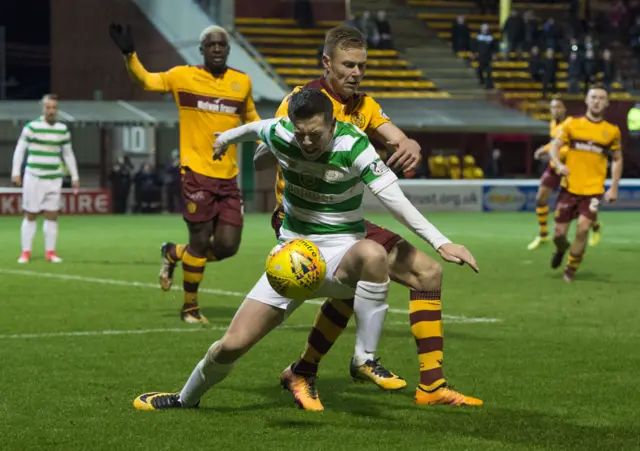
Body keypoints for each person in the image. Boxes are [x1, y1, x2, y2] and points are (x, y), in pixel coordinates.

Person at [131, 88, 480, 412]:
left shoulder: (355, 146)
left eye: (316, 133)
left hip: (342, 255)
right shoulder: (284, 132)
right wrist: (224, 139)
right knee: (232, 345)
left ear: (333, 122)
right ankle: (185, 398)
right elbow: (254, 128)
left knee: (372, 253)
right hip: (293, 256)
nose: (308, 141)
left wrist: (441, 242)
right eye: (302, 134)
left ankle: (364, 358)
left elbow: (396, 203)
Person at [256, 26, 483, 409]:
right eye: (349, 65)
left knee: (426, 274)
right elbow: (270, 147)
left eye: (362, 66)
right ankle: (316, 368)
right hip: (303, 223)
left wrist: (409, 143)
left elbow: (395, 135)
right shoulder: (301, 100)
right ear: (327, 62)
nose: (357, 73)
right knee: (362, 278)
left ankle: (431, 386)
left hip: (344, 223)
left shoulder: (364, 105)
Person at [109, 23, 260, 323]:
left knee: (228, 246)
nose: (217, 49)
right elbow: (147, 81)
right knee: (201, 242)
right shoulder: (183, 76)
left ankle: (173, 253)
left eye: (222, 45)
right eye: (211, 45)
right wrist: (129, 53)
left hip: (228, 177)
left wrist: (270, 143)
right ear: (202, 49)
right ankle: (190, 307)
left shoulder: (241, 82)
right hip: (196, 173)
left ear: (228, 50)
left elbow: (252, 119)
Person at [549, 85, 622, 282]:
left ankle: (570, 270)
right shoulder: (572, 124)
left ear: (606, 103)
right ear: (587, 101)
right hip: (569, 187)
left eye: (601, 98)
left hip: (593, 191)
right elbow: (554, 147)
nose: (597, 101)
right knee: (558, 235)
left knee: (583, 229)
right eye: (593, 97)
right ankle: (561, 249)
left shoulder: (611, 131)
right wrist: (558, 164)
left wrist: (614, 186)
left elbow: (617, 159)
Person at [11, 93, 80, 264]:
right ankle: (25, 252)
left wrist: (75, 175)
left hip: (54, 178)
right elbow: (20, 149)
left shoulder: (62, 130)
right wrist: (15, 172)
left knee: (52, 215)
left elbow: (68, 154)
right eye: (48, 107)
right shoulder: (32, 127)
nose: (51, 111)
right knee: (31, 214)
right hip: (34, 177)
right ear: (43, 109)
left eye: (54, 108)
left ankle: (50, 252)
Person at [528, 98, 601, 250]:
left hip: (569, 169)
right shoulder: (553, 124)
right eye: (553, 107)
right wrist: (546, 149)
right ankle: (543, 234)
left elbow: (568, 146)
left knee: (583, 204)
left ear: (564, 109)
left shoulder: (571, 124)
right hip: (554, 167)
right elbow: (556, 142)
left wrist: (546, 150)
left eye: (559, 107)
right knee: (541, 198)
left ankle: (595, 227)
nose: (556, 110)